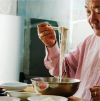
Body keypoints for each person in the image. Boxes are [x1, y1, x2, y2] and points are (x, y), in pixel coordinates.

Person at [37, 0, 100, 100]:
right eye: (88, 12)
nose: (92, 20)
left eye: (98, 11)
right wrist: (51, 44)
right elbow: (61, 71)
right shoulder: (88, 43)